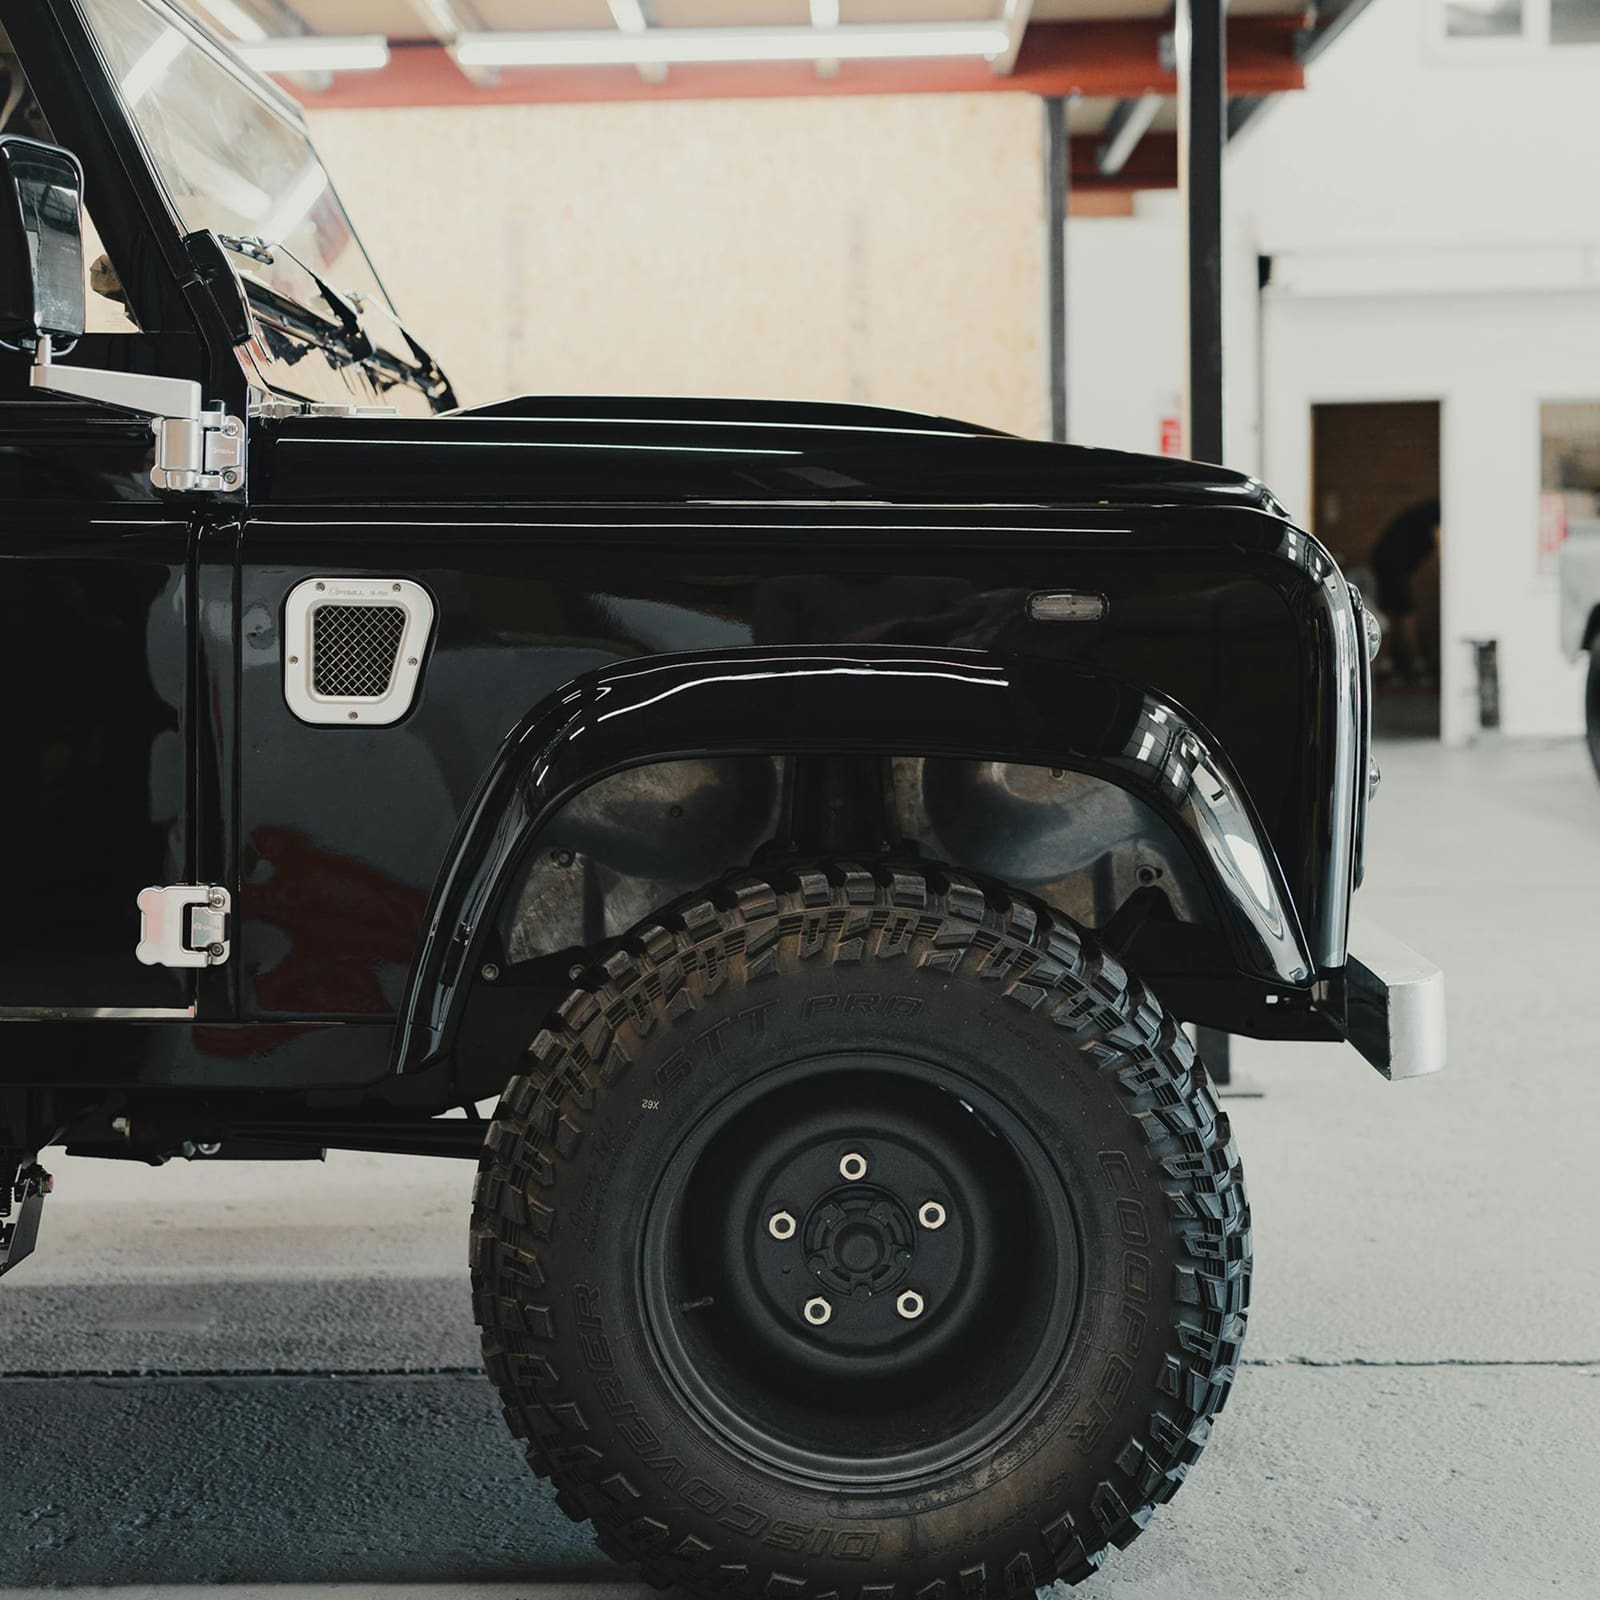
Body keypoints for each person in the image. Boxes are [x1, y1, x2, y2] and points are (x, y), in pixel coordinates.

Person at [1371, 497, 1440, 683]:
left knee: (1395, 612)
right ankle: (1414, 664)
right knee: (1406, 613)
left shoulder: (1428, 510)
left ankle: (1390, 664)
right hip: (1391, 562)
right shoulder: (1438, 511)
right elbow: (1441, 548)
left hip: (1386, 559)